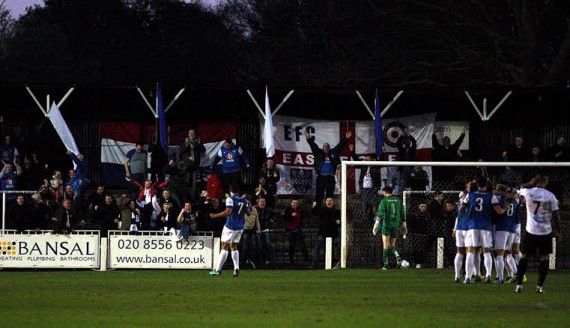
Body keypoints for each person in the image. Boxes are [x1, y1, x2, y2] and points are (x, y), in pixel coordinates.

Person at [514, 175, 561, 293]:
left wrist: (529, 183)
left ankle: (519, 285)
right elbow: (556, 215)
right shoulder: (550, 196)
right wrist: (558, 230)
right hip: (545, 231)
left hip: (531, 231)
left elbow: (517, 189)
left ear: (535, 181)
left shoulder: (528, 192)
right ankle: (539, 287)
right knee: (544, 258)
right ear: (546, 182)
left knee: (524, 257)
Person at [460, 178, 506, 284]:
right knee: (486, 251)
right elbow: (498, 211)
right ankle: (488, 275)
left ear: (477, 185)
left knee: (470, 250)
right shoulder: (491, 196)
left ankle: (467, 277)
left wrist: (468, 207)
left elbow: (461, 209)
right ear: (485, 185)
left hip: (472, 225)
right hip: (485, 226)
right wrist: (505, 208)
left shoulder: (470, 195)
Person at [209, 184, 249, 277]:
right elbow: (248, 212)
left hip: (231, 226)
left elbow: (228, 212)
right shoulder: (244, 200)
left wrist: (215, 215)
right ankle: (236, 268)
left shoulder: (230, 199)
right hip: (240, 226)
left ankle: (218, 270)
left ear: (230, 191)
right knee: (234, 246)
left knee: (224, 246)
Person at [304, 129, 351, 207]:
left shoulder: (333, 153)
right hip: (321, 177)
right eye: (325, 146)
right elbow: (313, 145)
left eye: (327, 146)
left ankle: (329, 209)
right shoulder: (318, 153)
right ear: (322, 147)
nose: (326, 147)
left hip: (330, 177)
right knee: (319, 194)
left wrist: (346, 138)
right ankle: (317, 210)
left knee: (330, 195)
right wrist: (308, 138)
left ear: (329, 147)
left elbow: (340, 146)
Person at [492, 182, 520, 284]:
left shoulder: (498, 198)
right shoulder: (515, 200)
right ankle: (517, 274)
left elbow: (496, 211)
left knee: (499, 253)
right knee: (508, 253)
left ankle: (500, 278)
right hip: (512, 229)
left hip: (501, 228)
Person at [373, 186, 407, 270]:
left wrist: (376, 225)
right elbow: (403, 213)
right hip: (396, 224)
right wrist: (404, 226)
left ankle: (385, 265)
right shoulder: (398, 201)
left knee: (385, 245)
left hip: (387, 224)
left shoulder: (384, 201)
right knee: (392, 244)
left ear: (385, 192)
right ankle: (398, 257)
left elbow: (380, 213)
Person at [349, 145, 381, 221]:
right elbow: (356, 159)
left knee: (374, 204)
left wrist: (383, 153)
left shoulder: (375, 166)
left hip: (373, 188)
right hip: (364, 188)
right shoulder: (363, 166)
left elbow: (381, 160)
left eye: (367, 158)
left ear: (372, 159)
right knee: (364, 203)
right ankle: (364, 219)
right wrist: (352, 151)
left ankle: (375, 219)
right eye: (365, 158)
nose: (366, 159)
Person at [311, 197, 341, 269]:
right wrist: (313, 206)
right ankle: (314, 265)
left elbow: (339, 222)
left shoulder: (336, 211)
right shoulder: (322, 210)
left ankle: (340, 263)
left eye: (331, 200)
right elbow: (315, 212)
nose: (329, 202)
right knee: (317, 248)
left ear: (333, 202)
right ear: (325, 202)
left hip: (334, 233)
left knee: (340, 247)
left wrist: (339, 222)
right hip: (323, 233)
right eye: (328, 200)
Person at [179, 128, 206, 200]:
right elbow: (181, 152)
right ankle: (186, 198)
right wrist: (187, 146)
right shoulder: (184, 142)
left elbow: (203, 150)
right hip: (187, 166)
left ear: (194, 135)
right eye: (190, 133)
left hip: (195, 166)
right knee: (187, 181)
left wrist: (199, 144)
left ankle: (192, 198)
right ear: (188, 134)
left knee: (194, 183)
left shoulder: (197, 142)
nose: (191, 135)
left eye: (193, 133)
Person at [284, 198, 310, 266]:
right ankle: (291, 260)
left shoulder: (299, 210)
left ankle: (306, 259)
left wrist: (302, 224)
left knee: (302, 244)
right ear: (291, 203)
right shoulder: (287, 210)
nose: (295, 204)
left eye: (296, 203)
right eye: (294, 203)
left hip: (297, 229)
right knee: (292, 245)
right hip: (290, 229)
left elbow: (301, 218)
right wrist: (291, 215)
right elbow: (285, 217)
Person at [407, 202, 429, 268]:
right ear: (419, 207)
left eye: (424, 206)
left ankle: (421, 262)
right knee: (416, 248)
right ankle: (417, 262)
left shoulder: (427, 215)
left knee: (423, 249)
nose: (423, 208)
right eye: (422, 206)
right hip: (416, 234)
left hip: (424, 234)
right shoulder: (415, 215)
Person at [256, 196, 275, 266]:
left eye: (263, 202)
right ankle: (260, 259)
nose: (262, 203)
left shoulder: (269, 210)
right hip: (258, 229)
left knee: (267, 243)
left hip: (265, 228)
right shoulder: (255, 209)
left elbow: (275, 215)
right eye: (261, 201)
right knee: (259, 244)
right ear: (258, 202)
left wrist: (271, 222)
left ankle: (269, 259)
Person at [242, 196, 261, 268]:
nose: (247, 204)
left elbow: (257, 220)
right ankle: (244, 260)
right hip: (245, 229)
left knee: (253, 245)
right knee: (245, 246)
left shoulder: (254, 209)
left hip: (252, 230)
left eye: (248, 203)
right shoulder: (242, 210)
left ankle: (253, 260)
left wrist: (258, 229)